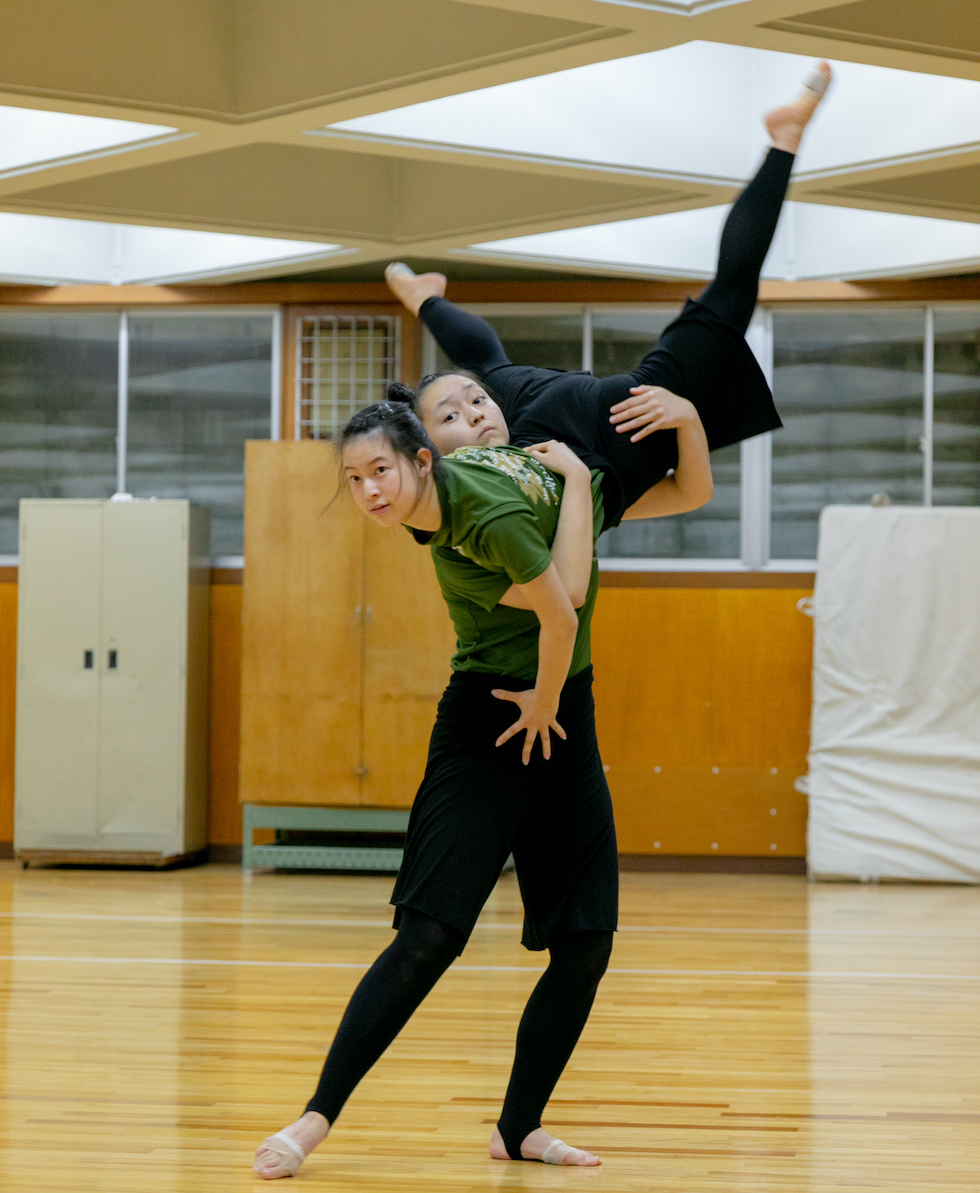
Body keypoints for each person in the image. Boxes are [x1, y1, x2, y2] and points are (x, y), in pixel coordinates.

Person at [254, 398, 707, 1179]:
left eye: (380, 470)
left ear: (424, 459)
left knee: (586, 942)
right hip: (491, 721)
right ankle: (314, 1118)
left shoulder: (517, 489)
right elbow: (565, 599)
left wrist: (685, 419)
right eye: (355, 478)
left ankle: (519, 1125)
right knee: (429, 934)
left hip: (555, 711)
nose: (368, 490)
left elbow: (578, 598)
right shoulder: (466, 523)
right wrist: (575, 479)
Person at [384, 62, 832, 530]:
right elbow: (690, 493)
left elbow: (485, 373)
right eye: (451, 417)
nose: (475, 415)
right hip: (649, 412)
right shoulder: (493, 501)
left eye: (476, 402)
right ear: (429, 455)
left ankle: (426, 300)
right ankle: (785, 139)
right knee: (733, 294)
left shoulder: (507, 409)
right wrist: (686, 418)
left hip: (588, 404)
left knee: (490, 367)